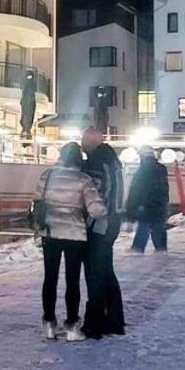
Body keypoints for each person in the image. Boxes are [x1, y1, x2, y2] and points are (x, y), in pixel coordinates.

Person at [36, 142, 106, 341]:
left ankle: (49, 324)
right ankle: (72, 327)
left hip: (50, 232)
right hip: (74, 234)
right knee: (72, 280)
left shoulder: (47, 175)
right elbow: (96, 210)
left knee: (50, 278)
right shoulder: (83, 179)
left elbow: (37, 200)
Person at [81, 127, 125, 338]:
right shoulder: (112, 160)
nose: (81, 143)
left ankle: (95, 322)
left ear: (91, 142)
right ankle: (115, 319)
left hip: (99, 225)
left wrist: (86, 221)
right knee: (106, 271)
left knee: (95, 272)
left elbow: (96, 196)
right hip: (112, 223)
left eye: (83, 139)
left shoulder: (96, 162)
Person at [126, 146, 170, 253]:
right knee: (158, 226)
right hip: (160, 204)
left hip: (145, 205)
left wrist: (131, 211)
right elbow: (164, 188)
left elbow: (135, 192)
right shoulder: (161, 169)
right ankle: (161, 249)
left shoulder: (141, 172)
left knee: (143, 225)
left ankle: (138, 248)